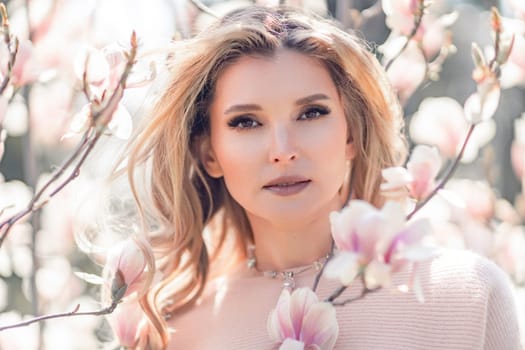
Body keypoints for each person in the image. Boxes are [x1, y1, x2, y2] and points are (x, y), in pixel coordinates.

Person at [109, 5, 521, 349]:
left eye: (311, 113)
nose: (283, 149)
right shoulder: (175, 328)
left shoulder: (466, 294)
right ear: (209, 153)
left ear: (351, 136)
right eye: (247, 122)